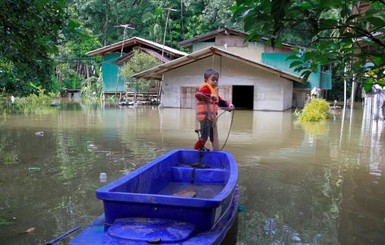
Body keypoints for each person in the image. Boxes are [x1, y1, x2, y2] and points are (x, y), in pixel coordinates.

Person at [193, 69, 235, 150]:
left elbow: (220, 102)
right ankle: (195, 151)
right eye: (213, 79)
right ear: (206, 80)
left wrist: (229, 105)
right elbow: (199, 94)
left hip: (211, 118)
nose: (215, 82)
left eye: (217, 80)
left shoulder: (214, 91)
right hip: (204, 117)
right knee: (204, 137)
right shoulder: (205, 87)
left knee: (213, 136)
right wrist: (210, 96)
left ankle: (215, 151)